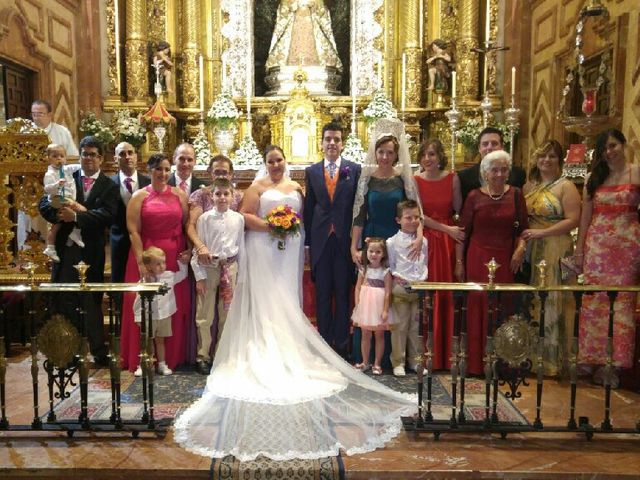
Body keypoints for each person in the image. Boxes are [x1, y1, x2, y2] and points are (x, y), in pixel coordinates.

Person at [173, 145, 415, 461]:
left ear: (285, 162)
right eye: (271, 161)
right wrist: (273, 226)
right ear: (265, 164)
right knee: (267, 297)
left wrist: (289, 229)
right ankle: (264, 345)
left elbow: (304, 216)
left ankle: (288, 344)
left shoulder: (296, 186)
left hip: (288, 248)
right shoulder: (257, 187)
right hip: (264, 247)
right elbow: (245, 217)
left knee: (286, 296)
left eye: (279, 160)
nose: (276, 164)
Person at [38, 135, 119, 365]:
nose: (89, 158)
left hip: (91, 250)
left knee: (91, 300)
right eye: (85, 154)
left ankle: (98, 349)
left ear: (101, 158)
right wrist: (60, 215)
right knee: (65, 297)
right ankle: (69, 349)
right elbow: (44, 203)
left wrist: (78, 217)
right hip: (66, 249)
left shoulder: (109, 185)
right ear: (80, 156)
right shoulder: (65, 175)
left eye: (93, 154)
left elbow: (108, 215)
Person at [350, 118, 422, 367]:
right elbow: (359, 216)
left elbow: (415, 211)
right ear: (375, 152)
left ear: (396, 154)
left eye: (390, 152)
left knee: (393, 295)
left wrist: (419, 236)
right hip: (373, 243)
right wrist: (354, 246)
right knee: (371, 293)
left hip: (397, 242)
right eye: (381, 151)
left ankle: (395, 358)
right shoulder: (367, 179)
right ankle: (366, 357)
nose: (384, 156)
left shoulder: (402, 179)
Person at [575, 129, 640, 388]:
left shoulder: (636, 172)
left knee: (621, 303)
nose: (609, 152)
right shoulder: (594, 177)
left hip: (627, 246)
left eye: (613, 146)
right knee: (594, 302)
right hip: (598, 246)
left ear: (623, 146)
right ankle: (590, 358)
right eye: (604, 148)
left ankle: (612, 364)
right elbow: (585, 217)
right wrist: (580, 250)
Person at [454, 150, 529, 375]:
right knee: (477, 309)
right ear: (485, 173)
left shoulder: (516, 194)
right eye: (494, 170)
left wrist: (520, 251)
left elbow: (523, 229)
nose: (499, 174)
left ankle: (501, 363)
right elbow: (462, 232)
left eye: (503, 169)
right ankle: (476, 364)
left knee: (502, 308)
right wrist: (459, 262)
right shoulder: (474, 196)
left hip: (505, 259)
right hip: (478, 257)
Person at [120, 153, 191, 371]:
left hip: (172, 256)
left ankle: (170, 358)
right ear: (149, 171)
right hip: (148, 256)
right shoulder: (139, 196)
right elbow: (133, 230)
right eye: (158, 169)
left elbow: (186, 225)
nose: (163, 174)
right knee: (144, 308)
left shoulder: (179, 195)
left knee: (171, 308)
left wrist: (188, 250)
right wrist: (142, 262)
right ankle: (143, 358)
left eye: (167, 169)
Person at [521, 140, 581, 376]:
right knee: (534, 300)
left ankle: (554, 361)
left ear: (560, 161)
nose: (546, 160)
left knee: (555, 298)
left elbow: (573, 220)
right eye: (543, 156)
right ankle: (534, 356)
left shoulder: (566, 186)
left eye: (552, 156)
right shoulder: (529, 186)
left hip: (557, 247)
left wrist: (543, 232)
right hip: (532, 249)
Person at [304, 122, 361, 358]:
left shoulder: (353, 170)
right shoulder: (312, 171)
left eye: (336, 139)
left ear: (342, 143)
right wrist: (308, 243)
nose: (332, 143)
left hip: (343, 239)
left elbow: (358, 207)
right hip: (321, 240)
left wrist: (356, 242)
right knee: (323, 292)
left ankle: (342, 342)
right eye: (328, 139)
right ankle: (324, 344)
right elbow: (309, 208)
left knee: (342, 291)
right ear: (322, 142)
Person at [414, 139, 464, 370]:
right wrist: (446, 229)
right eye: (424, 155)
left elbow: (458, 214)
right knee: (427, 296)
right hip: (427, 242)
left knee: (445, 294)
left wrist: (457, 253)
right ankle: (427, 353)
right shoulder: (415, 181)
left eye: (432, 154)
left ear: (439, 156)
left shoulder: (452, 178)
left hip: (447, 246)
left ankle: (446, 354)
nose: (428, 159)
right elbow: (419, 216)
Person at [191, 178, 244, 375]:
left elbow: (242, 248)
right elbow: (199, 249)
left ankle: (222, 354)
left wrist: (241, 275)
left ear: (232, 196)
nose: (222, 198)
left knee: (227, 314)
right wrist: (199, 276)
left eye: (226, 194)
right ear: (211, 196)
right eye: (218, 194)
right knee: (205, 315)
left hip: (229, 267)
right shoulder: (205, 219)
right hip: (209, 267)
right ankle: (203, 355)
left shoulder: (238, 219)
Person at [386, 200, 428, 377]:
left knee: (416, 328)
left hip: (419, 288)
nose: (413, 221)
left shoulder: (423, 241)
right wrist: (399, 277)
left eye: (416, 217)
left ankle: (415, 361)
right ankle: (398, 361)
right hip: (401, 288)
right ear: (398, 220)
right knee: (400, 327)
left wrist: (422, 280)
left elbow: (423, 263)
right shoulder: (392, 242)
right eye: (408, 217)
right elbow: (391, 265)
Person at [133, 246, 188, 377]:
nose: (162, 266)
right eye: (157, 264)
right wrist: (138, 316)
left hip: (164, 315)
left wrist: (182, 263)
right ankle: (145, 364)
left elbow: (183, 274)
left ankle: (162, 364)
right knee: (146, 341)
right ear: (148, 266)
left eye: (163, 262)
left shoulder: (169, 276)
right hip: (148, 316)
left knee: (160, 341)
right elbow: (138, 301)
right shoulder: (144, 280)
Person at [187, 155, 243, 268]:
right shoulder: (200, 195)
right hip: (207, 255)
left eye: (225, 172)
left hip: (230, 258)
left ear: (231, 174)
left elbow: (240, 228)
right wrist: (200, 247)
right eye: (217, 172)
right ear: (210, 173)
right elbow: (191, 225)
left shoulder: (238, 196)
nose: (221, 176)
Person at [110, 142, 150, 286]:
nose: (127, 157)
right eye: (122, 154)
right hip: (119, 240)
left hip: (144, 240)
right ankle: (120, 308)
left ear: (136, 156)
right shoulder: (108, 184)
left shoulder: (148, 182)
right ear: (115, 158)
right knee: (119, 281)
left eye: (130, 152)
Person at [351, 237, 393, 376]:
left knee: (379, 335)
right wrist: (358, 306)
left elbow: (388, 291)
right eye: (371, 251)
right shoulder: (364, 269)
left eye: (378, 252)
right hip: (365, 307)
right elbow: (357, 288)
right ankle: (365, 361)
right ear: (366, 252)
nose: (374, 255)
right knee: (365, 335)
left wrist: (385, 309)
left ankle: (377, 363)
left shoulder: (385, 272)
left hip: (378, 307)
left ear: (383, 254)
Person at [265, 0, 342, 71]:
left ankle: (312, 63)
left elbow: (322, 13)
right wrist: (292, 6)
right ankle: (293, 62)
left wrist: (314, 6)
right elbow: (283, 12)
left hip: (310, 26)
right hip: (295, 25)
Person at [457, 126, 526, 202]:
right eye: (485, 144)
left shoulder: (518, 174)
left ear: (502, 147)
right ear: (479, 148)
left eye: (494, 143)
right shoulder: (464, 177)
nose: (489, 147)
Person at [42, 143, 83, 262]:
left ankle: (51, 247)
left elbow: (78, 167)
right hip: (57, 200)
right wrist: (57, 184)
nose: (59, 159)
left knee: (59, 224)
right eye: (55, 156)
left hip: (67, 198)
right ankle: (74, 233)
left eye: (62, 156)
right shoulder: (50, 174)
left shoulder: (65, 169)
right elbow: (47, 189)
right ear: (48, 158)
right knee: (78, 210)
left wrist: (83, 162)